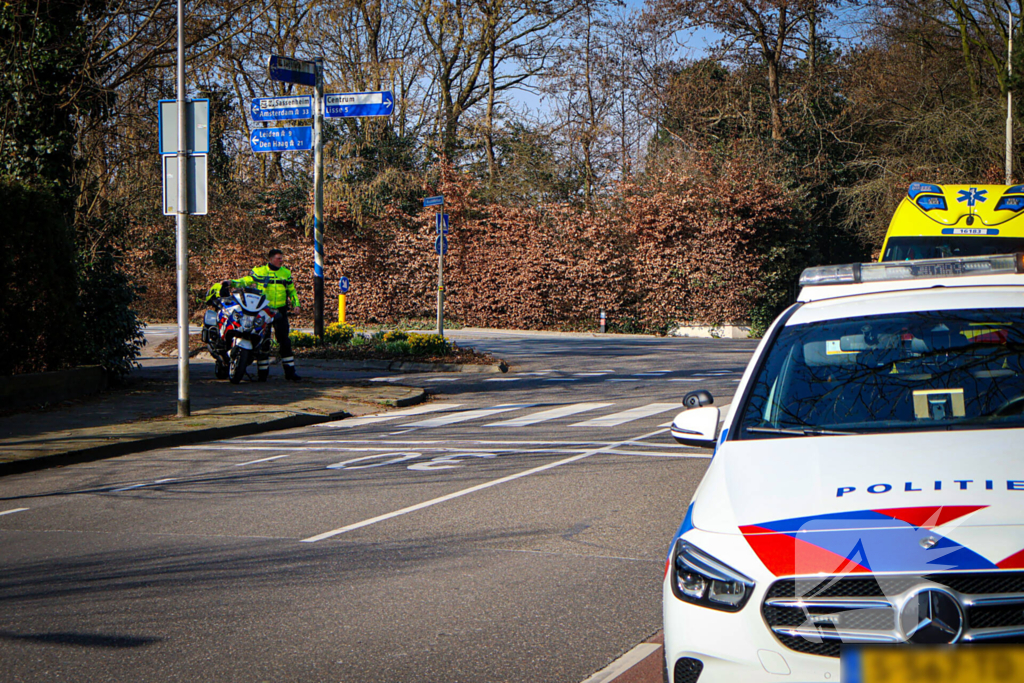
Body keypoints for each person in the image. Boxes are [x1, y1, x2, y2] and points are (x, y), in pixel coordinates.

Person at [233, 249, 302, 381]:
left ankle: (290, 373)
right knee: (263, 342)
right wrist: (232, 282)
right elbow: (246, 280)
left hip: (280, 311)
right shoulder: (260, 271)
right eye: (278, 258)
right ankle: (262, 374)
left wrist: (296, 304)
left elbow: (292, 291)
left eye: (282, 258)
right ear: (271, 259)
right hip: (264, 310)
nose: (281, 261)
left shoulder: (285, 273)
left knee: (285, 342)